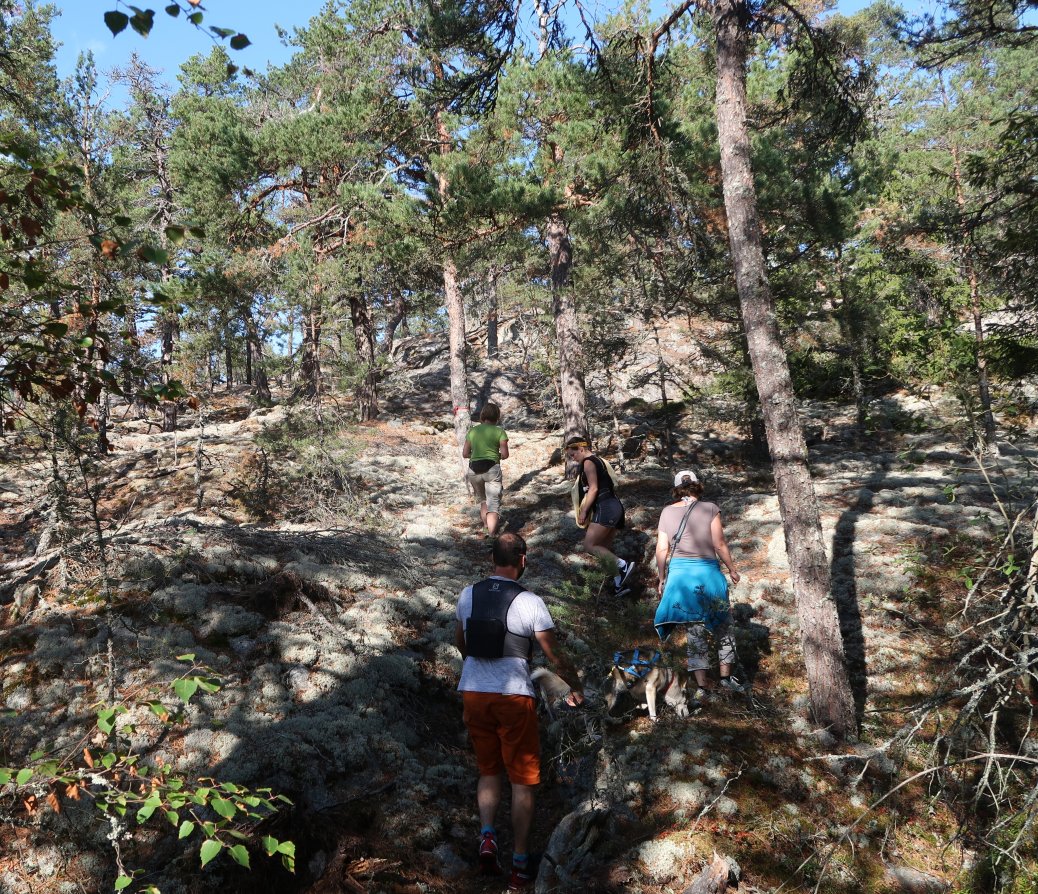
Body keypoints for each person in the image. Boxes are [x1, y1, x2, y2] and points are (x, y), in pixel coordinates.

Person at [454, 533, 584, 890]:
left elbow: (462, 643)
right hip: (513, 695)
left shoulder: (468, 594)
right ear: (522, 559)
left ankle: (487, 836)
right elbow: (552, 653)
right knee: (523, 780)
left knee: (488, 770)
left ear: (492, 558)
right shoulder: (530, 601)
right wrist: (575, 685)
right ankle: (520, 864)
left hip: (474, 693)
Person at [653, 470, 745, 700]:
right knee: (723, 624)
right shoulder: (710, 508)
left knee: (694, 630)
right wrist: (732, 568)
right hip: (708, 574)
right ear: (697, 485)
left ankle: (703, 687)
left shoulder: (666, 512)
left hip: (680, 577)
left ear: (676, 488)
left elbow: (662, 549)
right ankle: (726, 679)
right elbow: (719, 543)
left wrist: (662, 576)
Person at [564, 436, 635, 596]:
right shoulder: (599, 461)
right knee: (604, 550)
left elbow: (594, 489)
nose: (573, 458)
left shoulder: (588, 462)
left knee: (589, 545)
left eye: (573, 454)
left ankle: (623, 566)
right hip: (614, 506)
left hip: (606, 507)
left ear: (581, 449)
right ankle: (619, 584)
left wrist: (583, 512)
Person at [463, 402, 509, 539]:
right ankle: (492, 535)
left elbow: (465, 453)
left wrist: (477, 455)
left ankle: (485, 527)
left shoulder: (472, 431)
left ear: (483, 415)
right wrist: (495, 455)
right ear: (497, 417)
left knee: (483, 501)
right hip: (492, 469)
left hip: (473, 470)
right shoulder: (500, 431)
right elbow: (505, 454)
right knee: (493, 504)